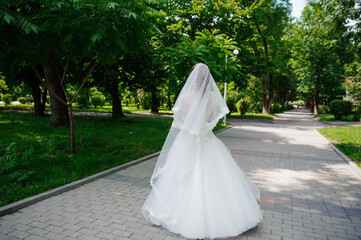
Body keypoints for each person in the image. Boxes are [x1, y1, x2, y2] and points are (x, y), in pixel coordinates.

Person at [142, 63, 263, 239]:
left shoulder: (185, 97)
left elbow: (180, 122)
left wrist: (192, 127)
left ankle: (181, 216)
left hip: (188, 142)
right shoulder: (212, 97)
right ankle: (224, 219)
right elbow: (213, 119)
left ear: (192, 78)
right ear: (207, 79)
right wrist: (202, 127)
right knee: (217, 179)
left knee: (181, 177)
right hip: (207, 141)